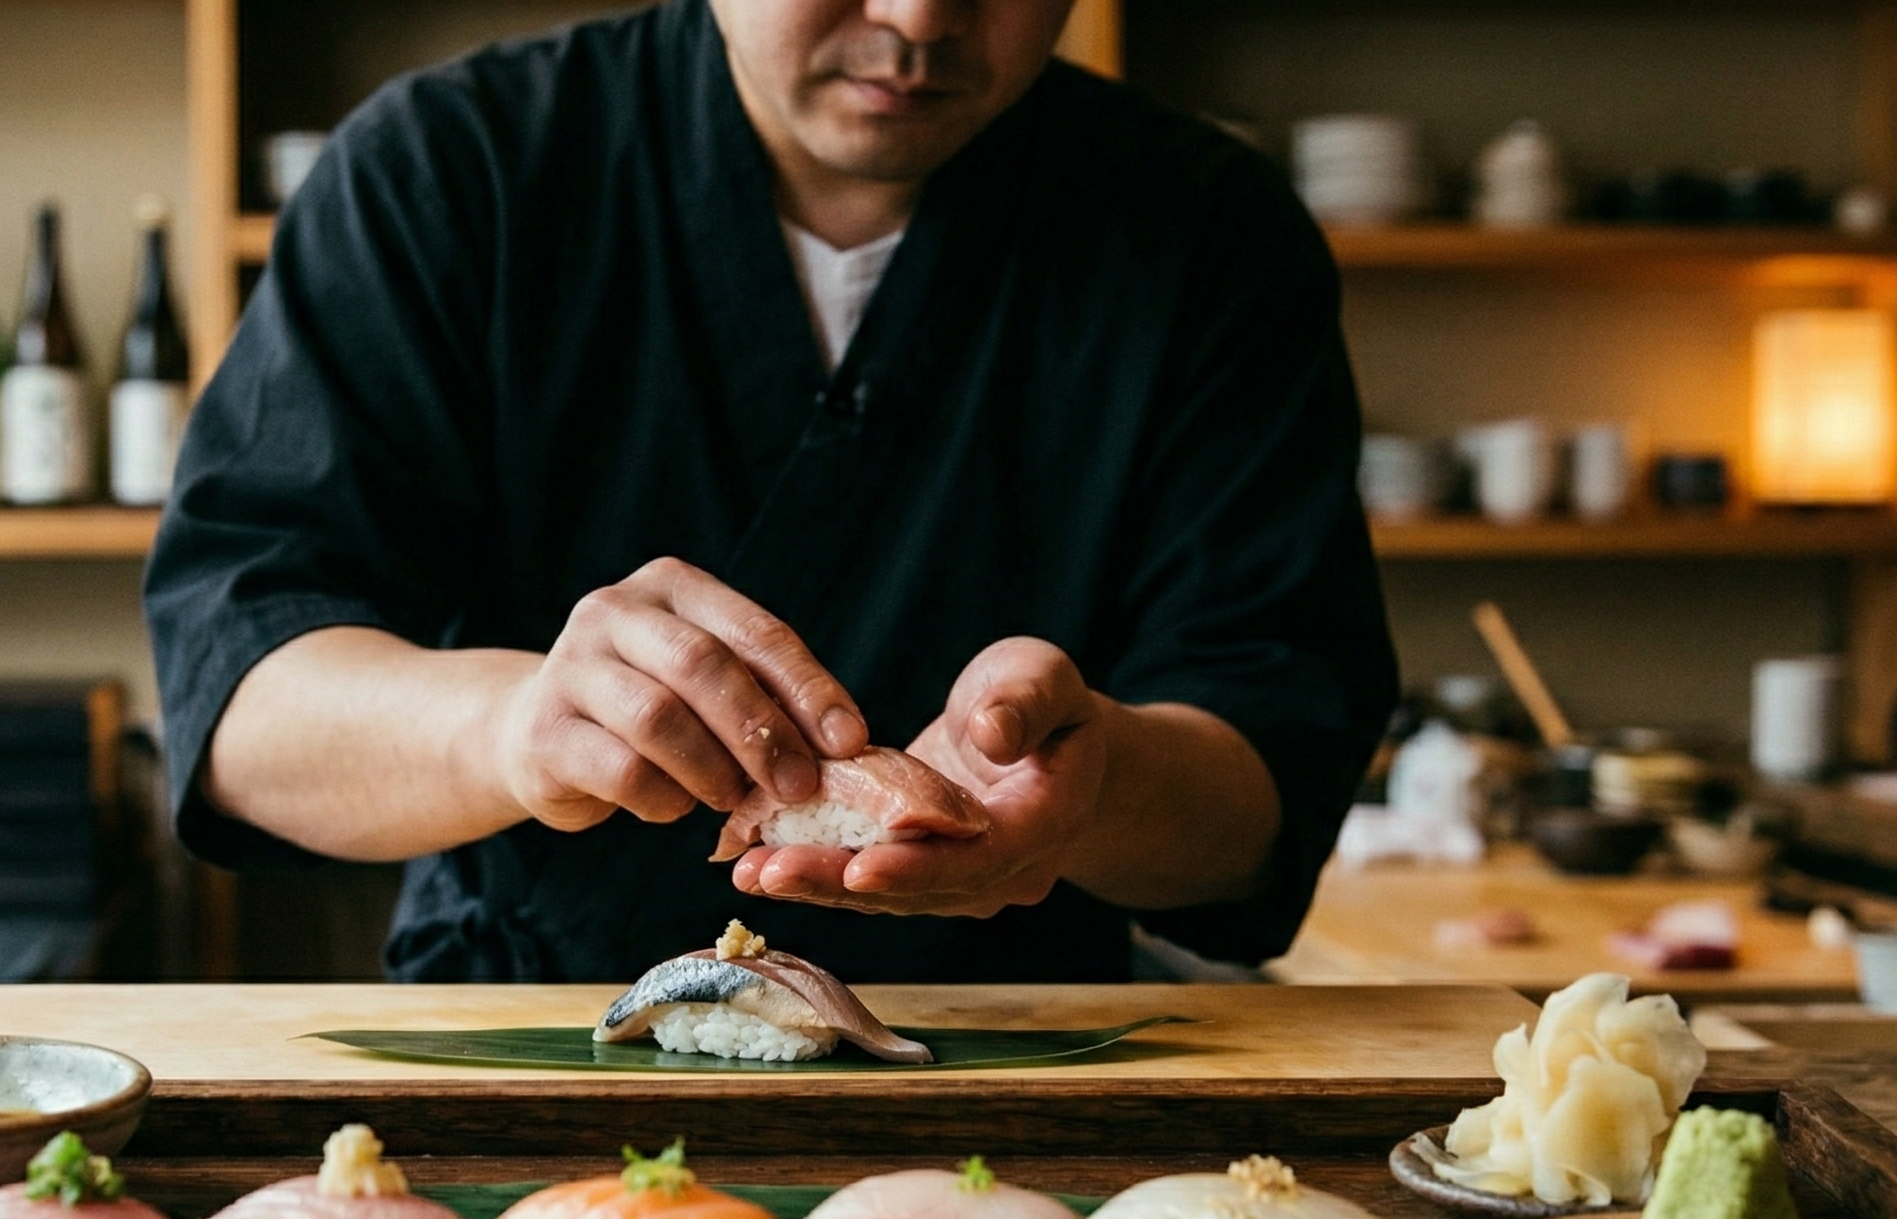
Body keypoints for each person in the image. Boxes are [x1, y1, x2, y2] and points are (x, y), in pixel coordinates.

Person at [144, 0, 1397, 983]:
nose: (918, 18)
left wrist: (1093, 787)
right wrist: (517, 726)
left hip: (1016, 1056)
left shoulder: (1205, 234)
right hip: (532, 1031)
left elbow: (1265, 773)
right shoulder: (450, 169)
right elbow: (247, 704)